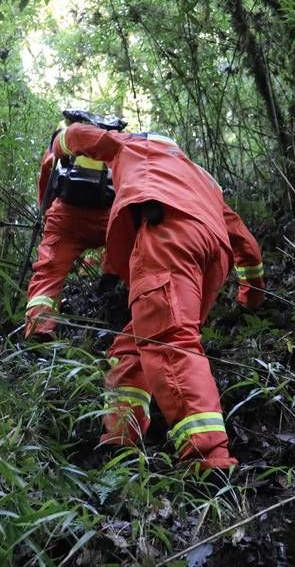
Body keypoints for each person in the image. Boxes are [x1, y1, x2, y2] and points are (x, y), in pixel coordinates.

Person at [52, 123, 265, 471]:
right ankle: (121, 437)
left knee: (167, 341)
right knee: (133, 344)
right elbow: (247, 247)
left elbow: (81, 135)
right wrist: (250, 299)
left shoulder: (138, 147)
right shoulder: (202, 180)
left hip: (169, 236)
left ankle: (208, 456)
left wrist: (56, 150)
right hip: (211, 260)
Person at [22, 133, 113, 340]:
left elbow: (46, 181)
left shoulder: (63, 141)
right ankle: (110, 301)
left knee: (49, 273)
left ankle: (39, 329)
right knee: (119, 255)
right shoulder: (114, 146)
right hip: (108, 221)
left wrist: (46, 218)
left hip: (65, 219)